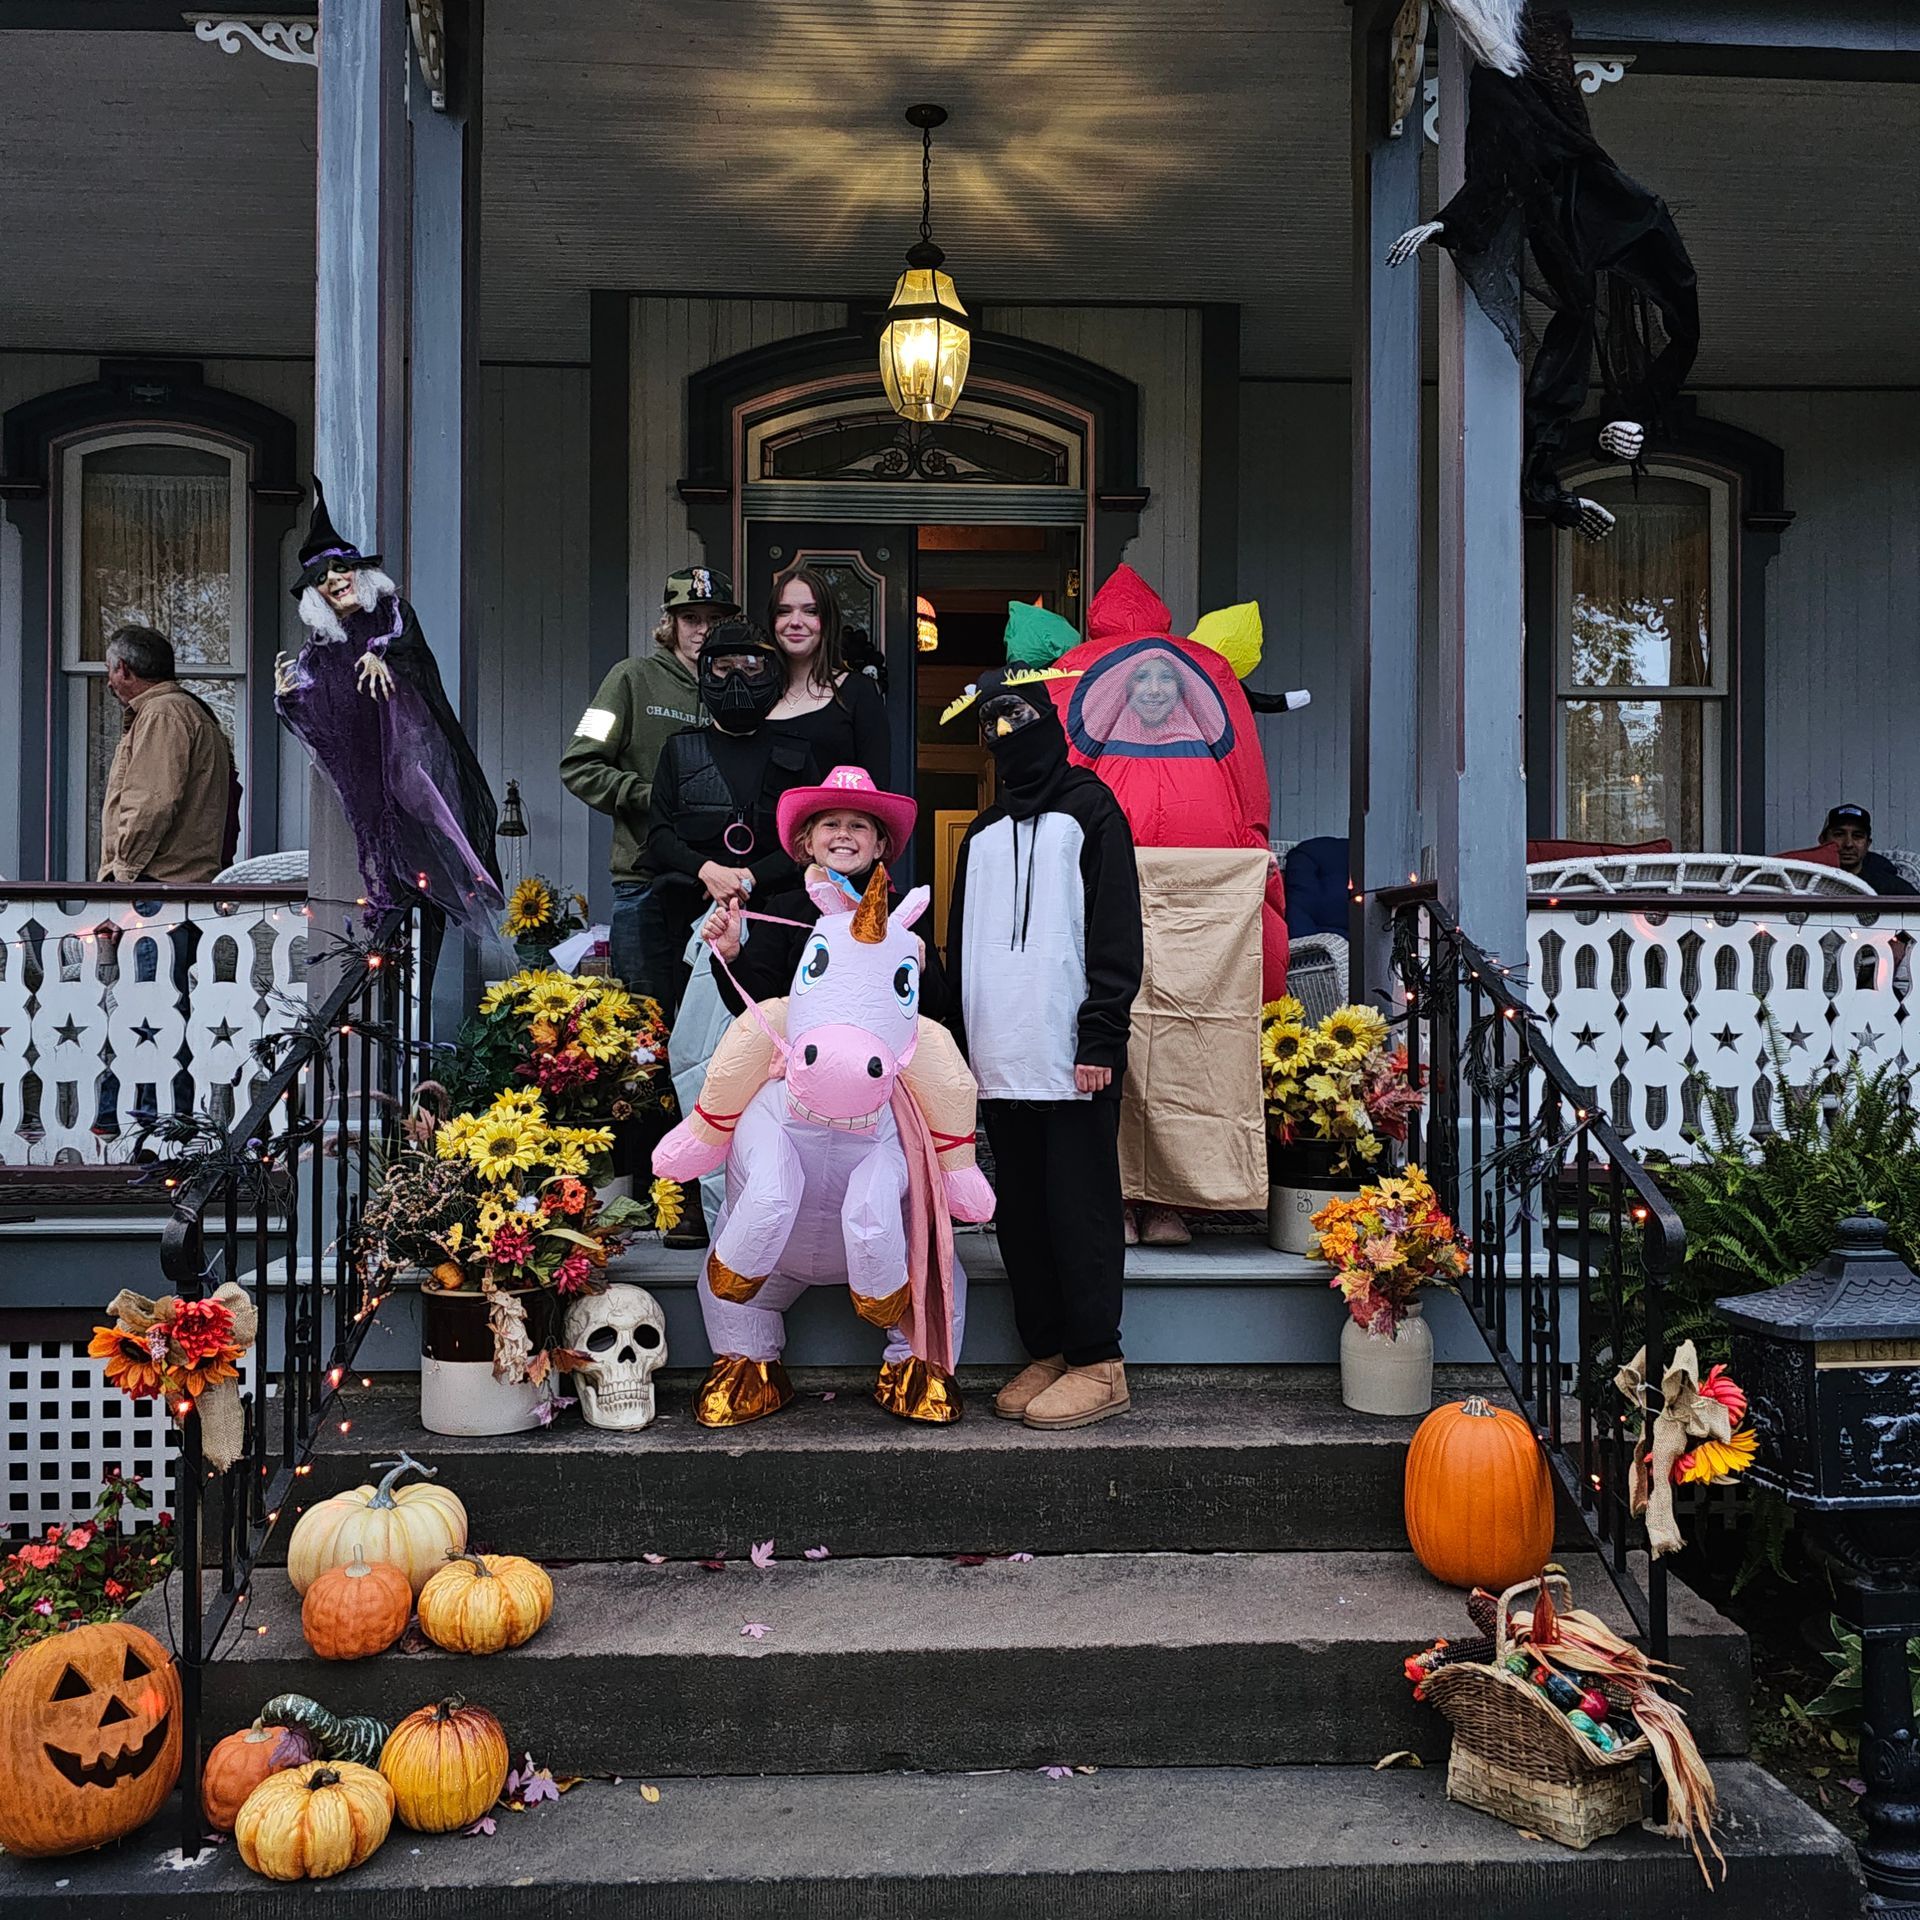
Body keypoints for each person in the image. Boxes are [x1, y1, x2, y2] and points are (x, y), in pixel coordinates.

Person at [663, 765, 994, 1220]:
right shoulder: (784, 907)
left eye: (858, 826)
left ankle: (955, 1176)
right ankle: (705, 1140)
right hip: (796, 1086)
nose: (843, 835)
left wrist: (918, 967)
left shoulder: (902, 913)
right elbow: (759, 1006)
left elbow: (936, 1011)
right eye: (831, 825)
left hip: (881, 1089)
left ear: (879, 845)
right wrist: (732, 955)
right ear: (808, 842)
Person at [945, 668, 1143, 1431]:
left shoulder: (1092, 810)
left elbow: (1116, 929)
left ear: (1049, 726)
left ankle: (1099, 1360)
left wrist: (1102, 1034)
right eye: (992, 726)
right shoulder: (981, 834)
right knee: (1022, 1216)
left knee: (1078, 1211)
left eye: (1019, 720)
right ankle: (1051, 1348)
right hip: (998, 1059)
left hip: (1072, 1058)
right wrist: (957, 1052)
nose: (1007, 737)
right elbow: (960, 947)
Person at [276, 481, 502, 936]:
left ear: (357, 571)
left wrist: (384, 656)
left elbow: (412, 652)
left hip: (412, 767)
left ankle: (436, 929)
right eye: (321, 578)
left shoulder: (390, 616)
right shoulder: (319, 650)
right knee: (390, 873)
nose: (334, 580)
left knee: (436, 861)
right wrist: (292, 699)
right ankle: (391, 949)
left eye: (340, 568)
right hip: (366, 778)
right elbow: (321, 725)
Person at [560, 566, 739, 993]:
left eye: (714, 619)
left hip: (720, 889)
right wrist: (652, 797)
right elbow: (579, 765)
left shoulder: (742, 687)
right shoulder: (630, 679)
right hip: (644, 885)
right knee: (646, 1023)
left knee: (721, 1024)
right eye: (691, 618)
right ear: (670, 623)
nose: (703, 630)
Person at [644, 620, 816, 1009]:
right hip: (688, 915)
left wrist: (748, 878)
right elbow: (659, 836)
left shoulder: (798, 752)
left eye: (751, 666)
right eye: (724, 667)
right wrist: (708, 871)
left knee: (771, 1021)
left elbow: (809, 842)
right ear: (707, 673)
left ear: (770, 672)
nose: (737, 678)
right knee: (684, 1021)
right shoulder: (679, 751)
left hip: (776, 919)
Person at [97, 625, 235, 884]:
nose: (109, 682)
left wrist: (122, 876)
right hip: (178, 884)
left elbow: (150, 803)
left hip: (157, 884)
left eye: (109, 670)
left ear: (123, 669)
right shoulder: (185, 711)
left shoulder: (162, 714)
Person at [765, 565, 891, 783]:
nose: (795, 621)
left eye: (811, 611)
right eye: (784, 611)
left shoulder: (859, 692)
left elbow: (876, 788)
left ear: (827, 621)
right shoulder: (756, 691)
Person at [1819, 803, 1916, 897]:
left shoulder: (1888, 885)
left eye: (1857, 836)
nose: (1848, 844)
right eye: (1839, 835)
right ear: (1822, 840)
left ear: (1868, 844)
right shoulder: (1811, 877)